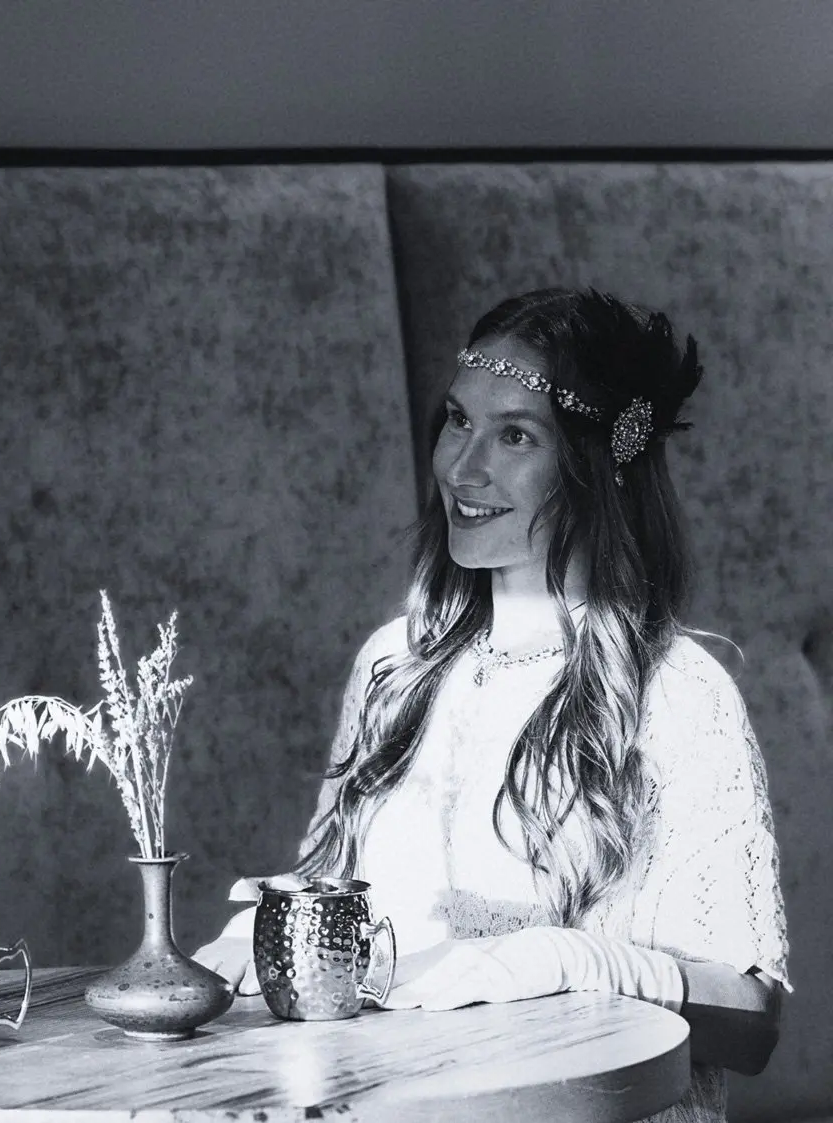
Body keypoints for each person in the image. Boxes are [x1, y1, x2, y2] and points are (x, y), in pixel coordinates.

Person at [193, 289, 788, 1121]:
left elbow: (753, 1026)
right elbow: (339, 923)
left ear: (594, 461)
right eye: (458, 420)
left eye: (515, 435)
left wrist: (581, 962)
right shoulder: (393, 664)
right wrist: (265, 945)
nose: (462, 468)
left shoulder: (678, 691)